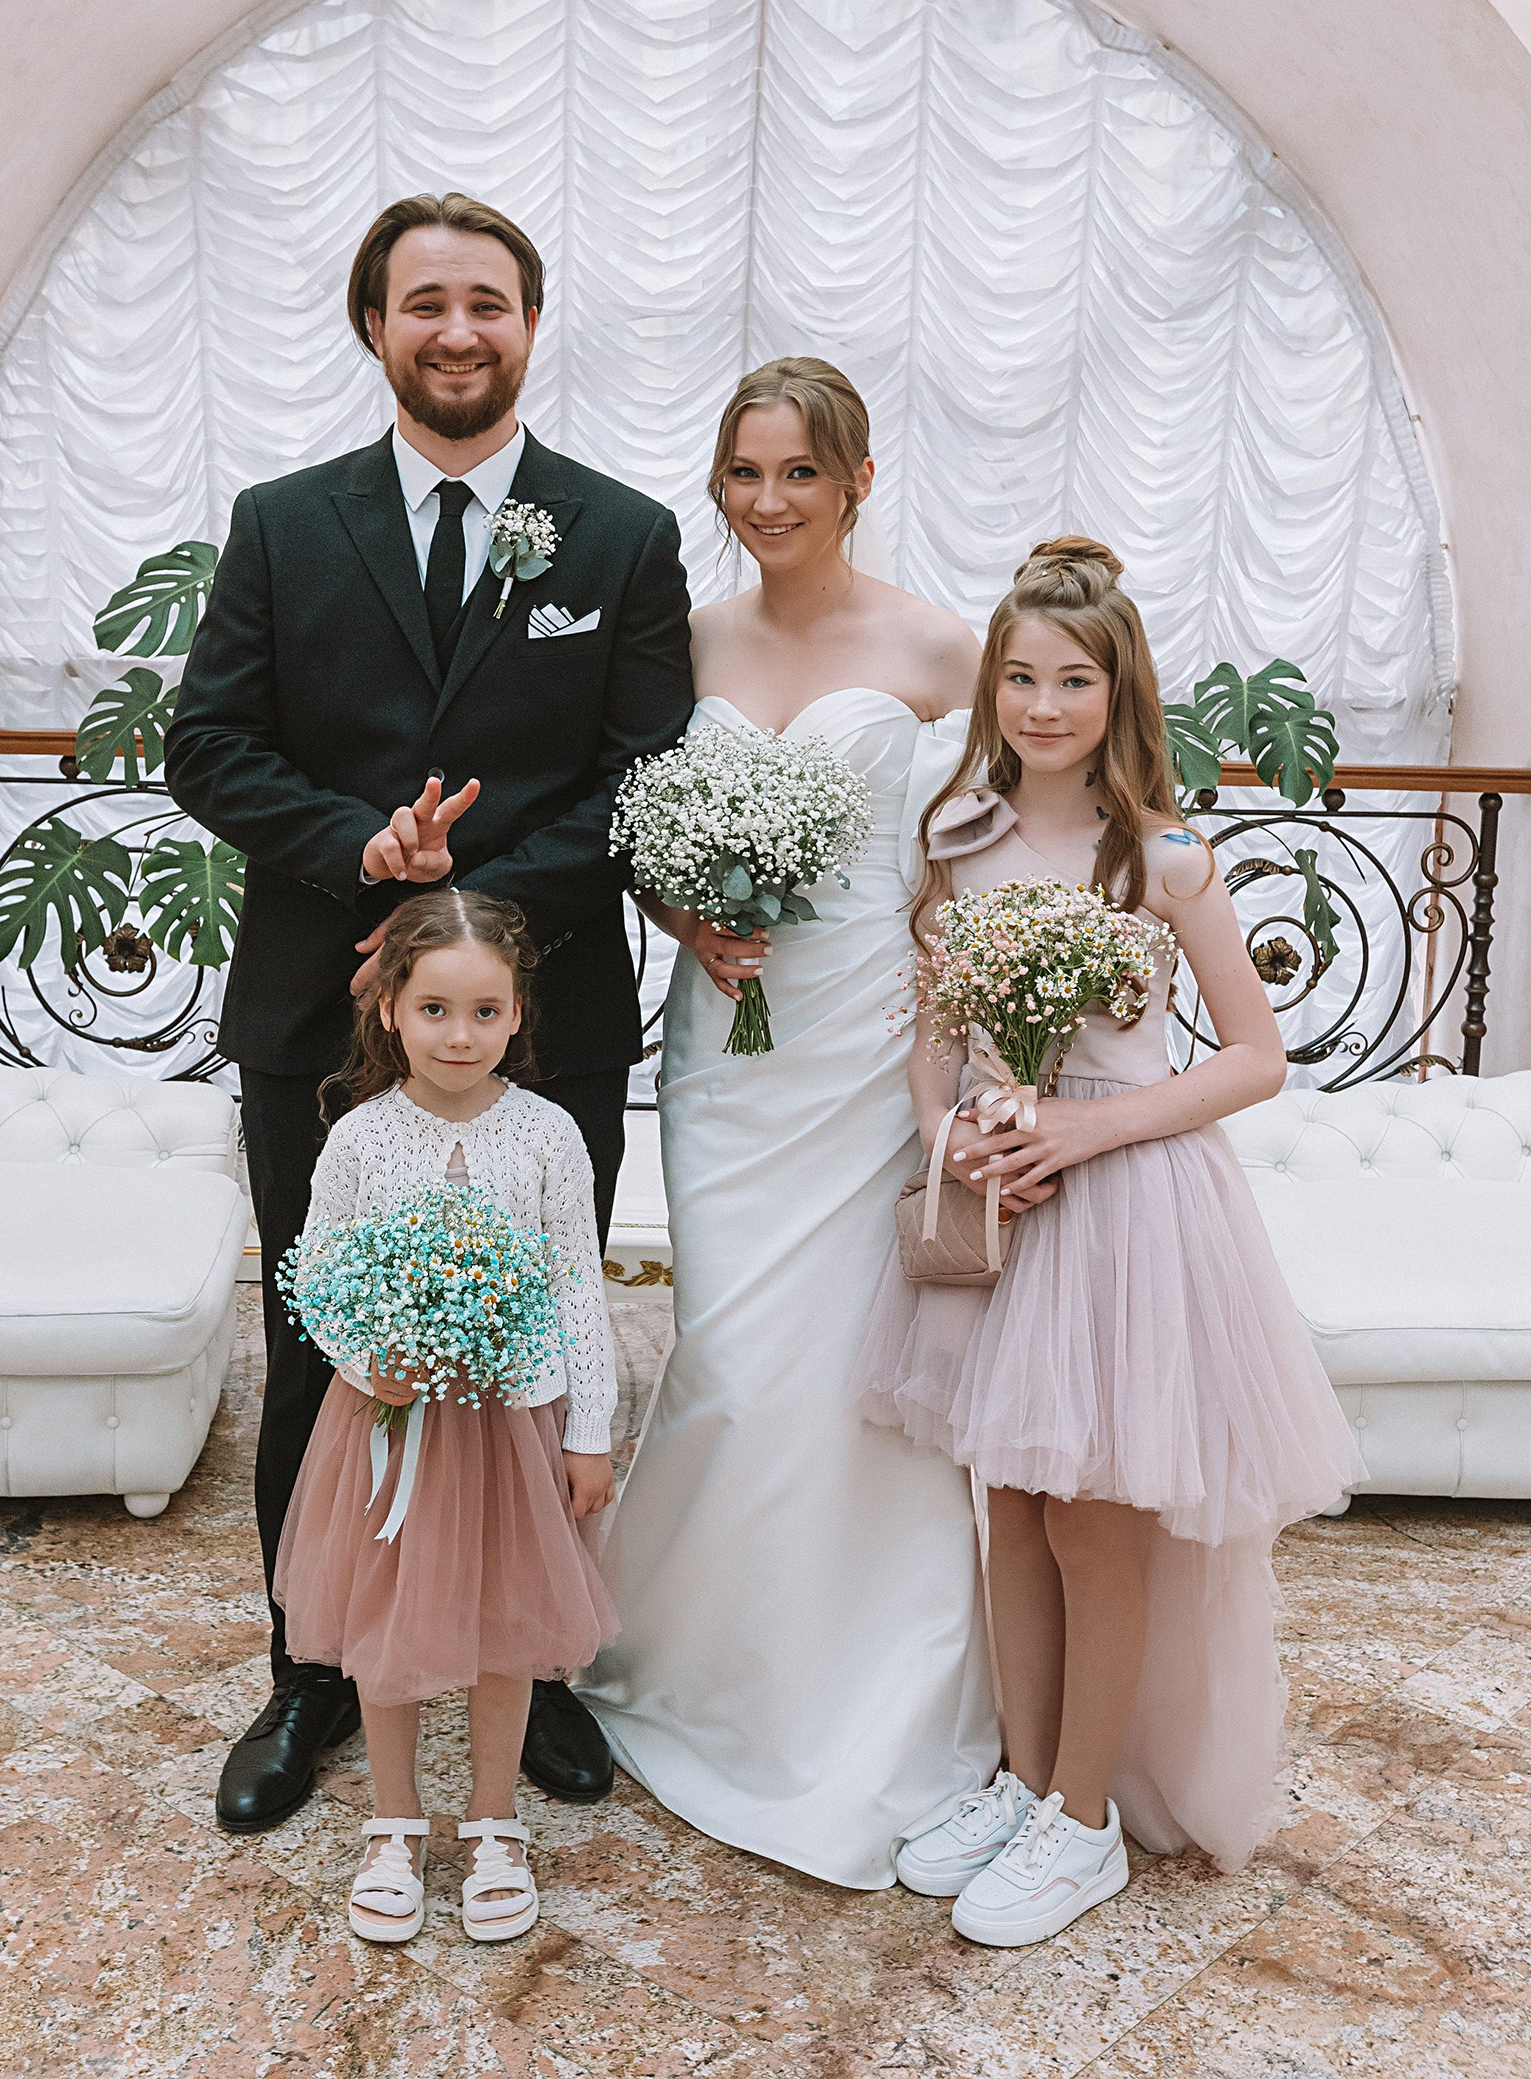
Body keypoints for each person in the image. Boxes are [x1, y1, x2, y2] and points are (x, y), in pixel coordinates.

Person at [165, 192, 694, 1834]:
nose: (457, 331)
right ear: (374, 325)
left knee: (539, 1337)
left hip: (551, 1023)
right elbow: (209, 745)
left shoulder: (619, 535)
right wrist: (361, 853)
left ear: (529, 324)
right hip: (314, 1025)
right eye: (424, 303)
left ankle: (528, 1663)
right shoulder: (281, 525)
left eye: (488, 303)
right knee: (322, 1350)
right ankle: (311, 1668)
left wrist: (465, 920)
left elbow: (643, 776)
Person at [855, 538, 1362, 1945]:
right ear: (990, 689)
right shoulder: (957, 839)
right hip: (1006, 1206)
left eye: (1072, 679)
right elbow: (935, 1035)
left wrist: (1090, 1129)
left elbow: (1254, 1057)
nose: (1042, 704)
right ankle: (1025, 1783)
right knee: (1009, 1506)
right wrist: (953, 1135)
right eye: (1019, 677)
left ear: (1118, 690)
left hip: (1128, 1210)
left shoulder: (1165, 859)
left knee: (1091, 1516)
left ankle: (1084, 1825)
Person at [578, 358, 1005, 1889]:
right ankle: (707, 1660)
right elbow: (630, 829)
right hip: (727, 1051)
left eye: (801, 473)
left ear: (858, 480)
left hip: (870, 1050)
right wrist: (683, 912)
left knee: (855, 1363)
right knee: (735, 1352)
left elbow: (1011, 817)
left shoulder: (938, 643)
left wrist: (978, 1006)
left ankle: (877, 1685)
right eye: (745, 474)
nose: (769, 502)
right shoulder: (688, 638)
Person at [274, 888, 617, 1944]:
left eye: (484, 1012)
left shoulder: (549, 1136)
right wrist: (364, 1360)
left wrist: (588, 1431)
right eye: (434, 1009)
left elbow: (577, 1285)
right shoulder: (361, 1138)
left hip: (511, 1427)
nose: (459, 1035)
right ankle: (394, 1823)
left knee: (506, 1624)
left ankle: (494, 1821)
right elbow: (318, 1273)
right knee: (387, 1619)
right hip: (387, 1425)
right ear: (389, 1009)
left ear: (517, 1016)